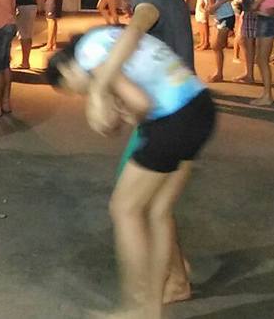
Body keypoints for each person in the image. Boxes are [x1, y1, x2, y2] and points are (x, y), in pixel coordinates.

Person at [46, 26, 215, 319]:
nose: (79, 94)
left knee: (124, 209)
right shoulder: (104, 37)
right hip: (200, 107)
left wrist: (110, 105)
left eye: (72, 89)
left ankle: (137, 307)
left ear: (66, 69)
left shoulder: (88, 53)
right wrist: (123, 112)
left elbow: (141, 103)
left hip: (173, 120)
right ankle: (166, 296)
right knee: (158, 211)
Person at [85, 0, 196, 314]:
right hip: (174, 112)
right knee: (155, 205)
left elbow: (134, 31)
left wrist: (100, 88)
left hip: (171, 116)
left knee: (132, 208)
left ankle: (145, 303)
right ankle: (177, 278)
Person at [190, 0, 235, 82]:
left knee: (216, 46)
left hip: (225, 17)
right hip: (219, 18)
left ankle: (219, 73)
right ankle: (219, 72)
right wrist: (204, 8)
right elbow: (205, 6)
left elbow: (211, 8)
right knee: (216, 46)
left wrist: (205, 9)